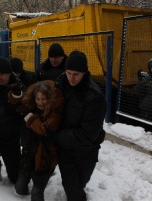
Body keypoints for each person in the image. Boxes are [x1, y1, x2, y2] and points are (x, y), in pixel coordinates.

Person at [46, 50, 106, 201]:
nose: (71, 78)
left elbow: (88, 134)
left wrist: (57, 136)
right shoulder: (60, 84)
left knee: (80, 182)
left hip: (86, 150)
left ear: (84, 73)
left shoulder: (94, 97)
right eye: (68, 73)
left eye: (76, 74)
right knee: (73, 189)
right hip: (65, 148)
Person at [14, 80, 64, 201]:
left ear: (49, 99)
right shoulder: (31, 108)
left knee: (36, 194)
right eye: (37, 99)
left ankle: (41, 182)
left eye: (44, 99)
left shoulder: (55, 112)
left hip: (46, 155)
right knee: (19, 188)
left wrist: (29, 118)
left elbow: (43, 129)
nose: (40, 102)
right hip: (30, 151)